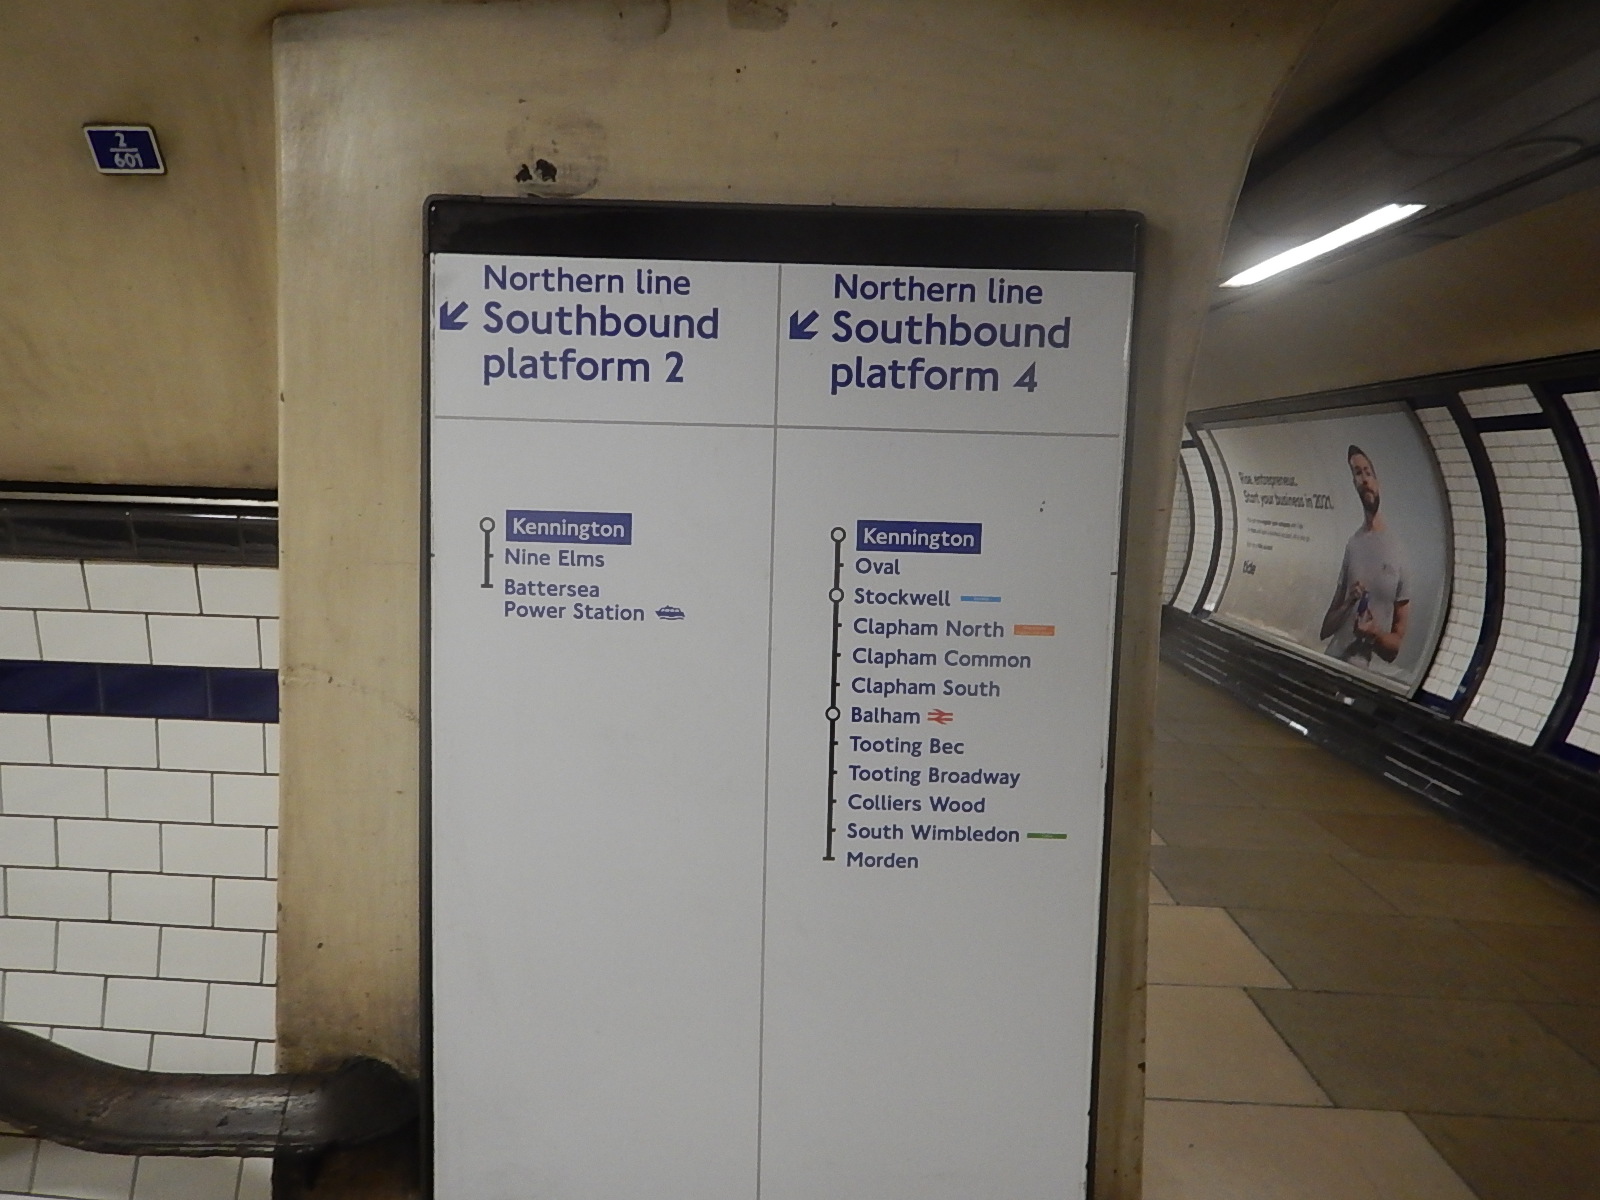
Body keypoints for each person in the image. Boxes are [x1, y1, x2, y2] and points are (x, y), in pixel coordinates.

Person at [1320, 444, 1410, 665]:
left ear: (1377, 481)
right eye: (1358, 473)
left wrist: (1374, 634)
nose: (1364, 480)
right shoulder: (1353, 544)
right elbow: (1326, 630)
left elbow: (1394, 649)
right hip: (1331, 663)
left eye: (1368, 472)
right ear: (1354, 483)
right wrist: (1349, 602)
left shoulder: (1398, 550)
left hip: (1361, 673)